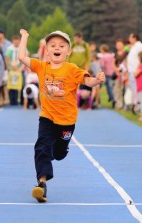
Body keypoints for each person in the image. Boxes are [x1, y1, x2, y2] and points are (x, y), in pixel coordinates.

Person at [18, 29, 105, 203]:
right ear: (46, 50)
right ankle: (41, 185)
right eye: (52, 45)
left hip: (67, 120)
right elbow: (22, 57)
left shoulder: (71, 69)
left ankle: (62, 149)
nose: (57, 48)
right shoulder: (42, 66)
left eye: (61, 46)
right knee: (42, 146)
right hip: (47, 116)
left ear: (68, 51)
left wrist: (95, 80)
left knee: (58, 154)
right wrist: (25, 37)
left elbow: (86, 80)